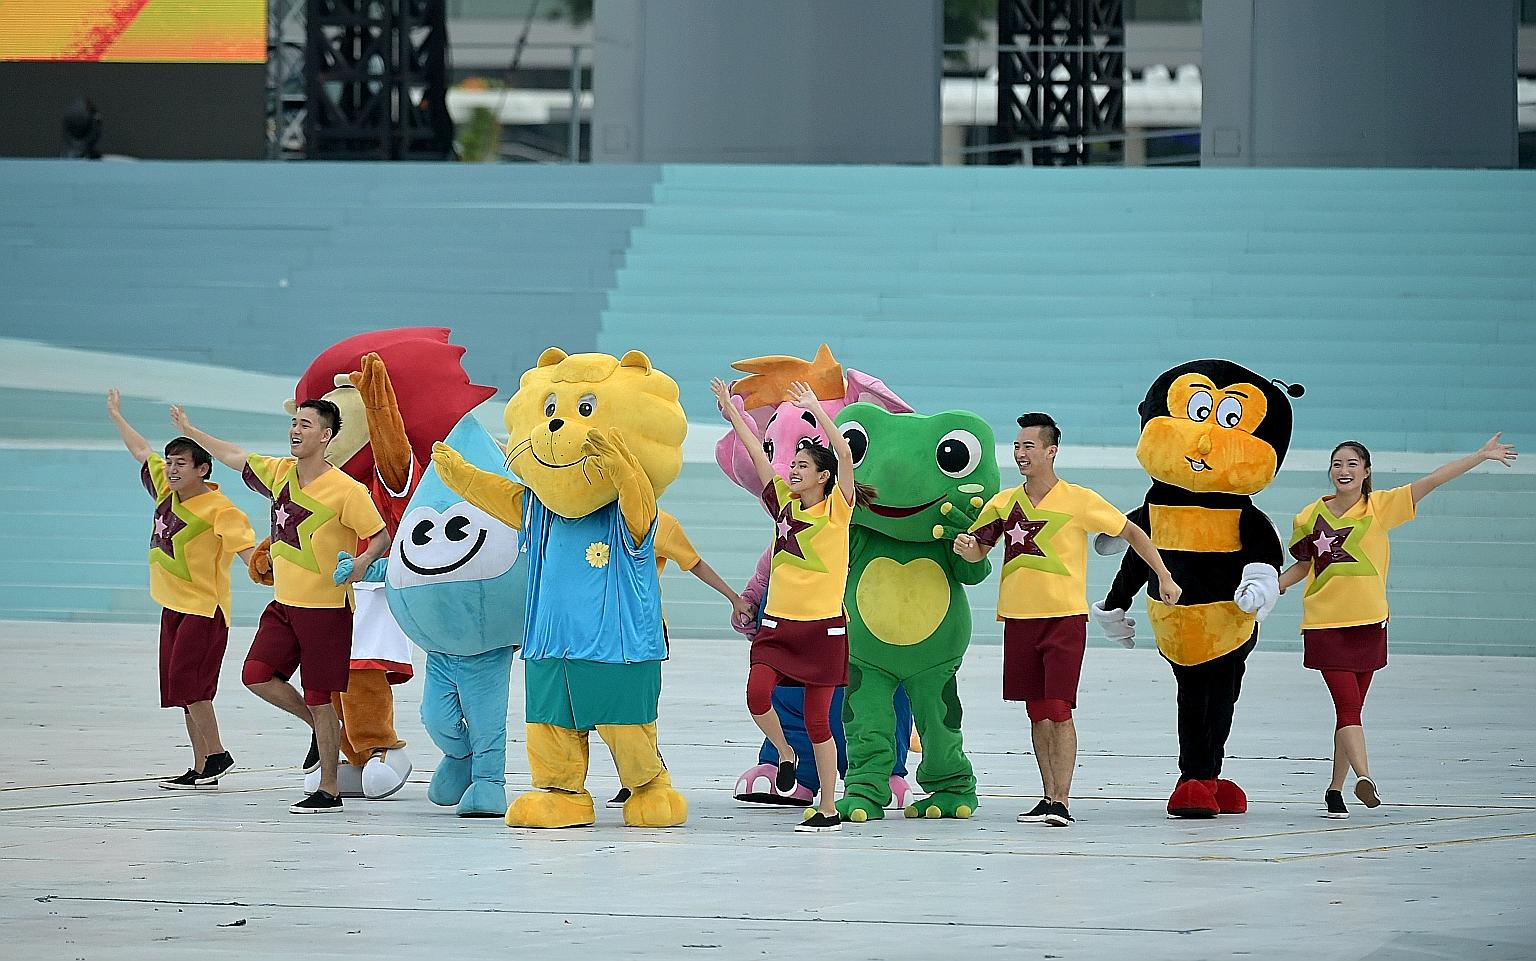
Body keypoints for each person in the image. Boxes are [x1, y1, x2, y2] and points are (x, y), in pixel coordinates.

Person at [954, 413, 1181, 827]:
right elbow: (978, 550)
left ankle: (1062, 800)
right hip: (1019, 618)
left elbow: (1132, 532)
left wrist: (1164, 576)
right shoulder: (1003, 503)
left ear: (1051, 451)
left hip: (1064, 619)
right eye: (1017, 446)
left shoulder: (1079, 499)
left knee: (1058, 707)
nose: (1020, 453)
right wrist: (966, 546)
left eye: (1029, 446)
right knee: (1036, 710)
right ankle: (1046, 797)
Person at [1279, 434, 1518, 819]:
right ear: (1330, 471)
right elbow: (1304, 566)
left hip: (1369, 624)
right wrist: (1272, 586)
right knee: (1348, 709)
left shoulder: (1380, 506)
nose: (1344, 470)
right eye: (1337, 464)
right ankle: (1365, 777)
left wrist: (1479, 456)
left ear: (1366, 471)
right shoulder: (1307, 516)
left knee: (1351, 714)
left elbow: (1434, 480)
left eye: (1352, 464)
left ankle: (1335, 789)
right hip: (1326, 625)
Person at [171, 400, 390, 814]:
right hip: (284, 605)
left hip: (325, 608)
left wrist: (362, 562)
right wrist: (192, 431)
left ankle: (329, 790)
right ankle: (322, 727)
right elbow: (235, 456)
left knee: (320, 697)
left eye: (305, 424)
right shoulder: (280, 473)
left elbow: (379, 536)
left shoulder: (347, 490)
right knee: (256, 675)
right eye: (293, 423)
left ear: (325, 435)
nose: (295, 430)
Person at [712, 375, 859, 833]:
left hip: (823, 631)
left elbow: (845, 456)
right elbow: (758, 454)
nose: (792, 469)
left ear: (823, 476)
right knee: (758, 695)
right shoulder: (783, 505)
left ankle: (828, 806)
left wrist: (816, 409)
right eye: (791, 464)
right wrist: (733, 414)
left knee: (819, 722)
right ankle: (785, 752)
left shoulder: (838, 509)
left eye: (802, 465)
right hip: (778, 627)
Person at [106, 390, 256, 790]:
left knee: (193, 687)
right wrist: (117, 415)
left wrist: (267, 568)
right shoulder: (165, 490)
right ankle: (202, 765)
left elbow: (247, 551)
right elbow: (142, 451)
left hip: (205, 609)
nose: (171, 469)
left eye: (180, 463)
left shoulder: (221, 510)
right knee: (183, 691)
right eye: (170, 462)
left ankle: (218, 753)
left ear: (203, 469)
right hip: (173, 606)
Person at [606, 509, 753, 807]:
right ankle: (631, 777)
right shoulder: (595, 518)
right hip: (601, 630)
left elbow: (694, 562)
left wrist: (734, 598)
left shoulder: (661, 523)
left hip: (643, 629)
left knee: (638, 707)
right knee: (608, 707)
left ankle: (647, 778)